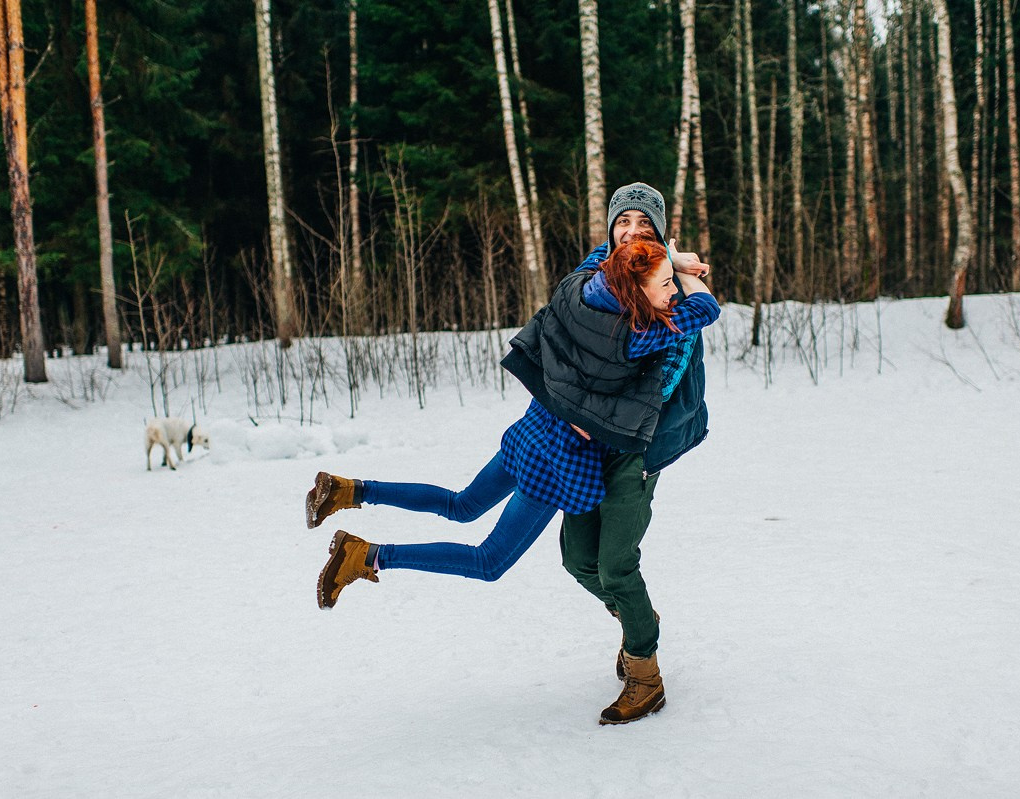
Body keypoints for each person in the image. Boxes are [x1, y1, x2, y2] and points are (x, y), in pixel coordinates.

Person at [307, 232, 718, 724]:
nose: (673, 290)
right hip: (559, 461)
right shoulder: (636, 333)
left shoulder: (580, 296)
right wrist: (686, 271)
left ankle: (349, 490)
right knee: (488, 561)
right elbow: (703, 311)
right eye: (665, 283)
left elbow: (594, 262)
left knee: (461, 505)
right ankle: (368, 555)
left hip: (531, 431)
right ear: (634, 288)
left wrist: (663, 262)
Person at [553, 182, 713, 725]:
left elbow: (662, 380)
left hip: (636, 446)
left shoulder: (672, 290)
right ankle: (638, 618)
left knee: (617, 564)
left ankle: (645, 673)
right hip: (584, 445)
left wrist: (682, 272)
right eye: (625, 223)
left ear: (660, 236)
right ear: (611, 229)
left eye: (645, 227)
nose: (633, 232)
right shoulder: (594, 280)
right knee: (577, 557)